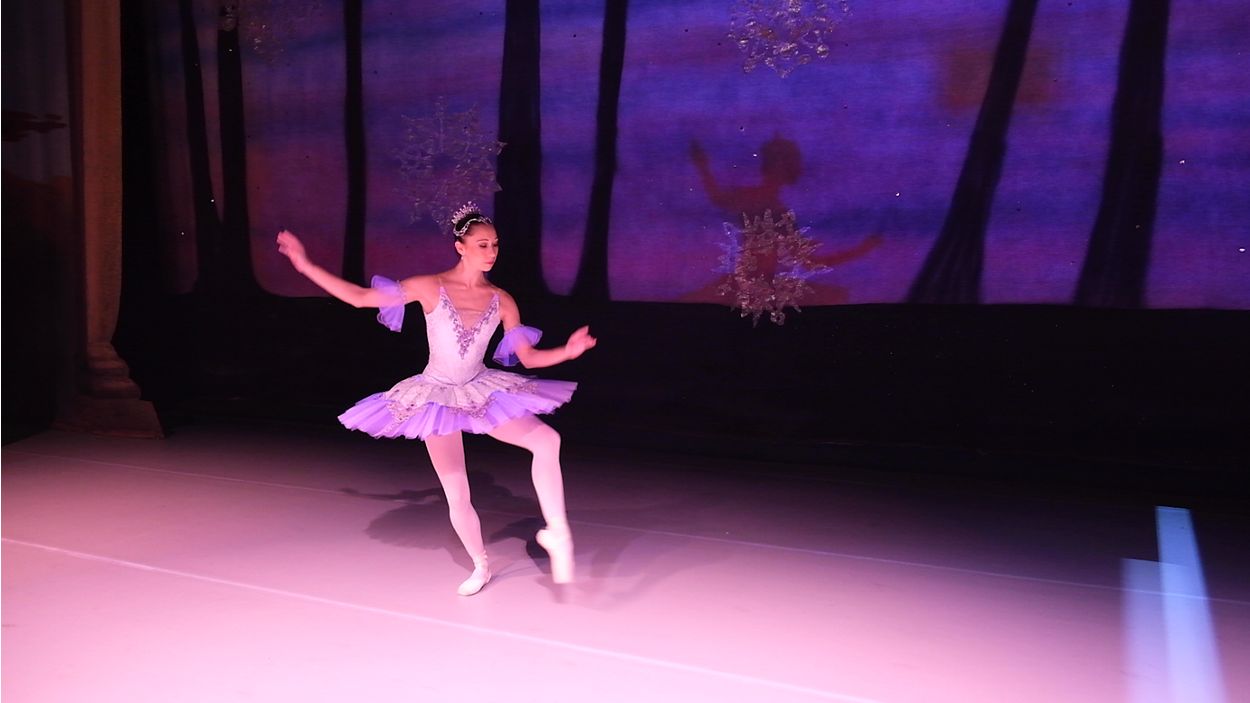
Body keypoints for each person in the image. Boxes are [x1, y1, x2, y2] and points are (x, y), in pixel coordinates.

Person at [275, 203, 596, 595]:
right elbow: (359, 297)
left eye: (495, 244)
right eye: (482, 244)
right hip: (436, 397)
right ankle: (481, 565)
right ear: (460, 247)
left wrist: (568, 351)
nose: (491, 252)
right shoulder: (430, 286)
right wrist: (304, 264)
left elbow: (527, 357)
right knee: (457, 491)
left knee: (547, 440)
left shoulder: (502, 299)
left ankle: (557, 532)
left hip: (480, 389)